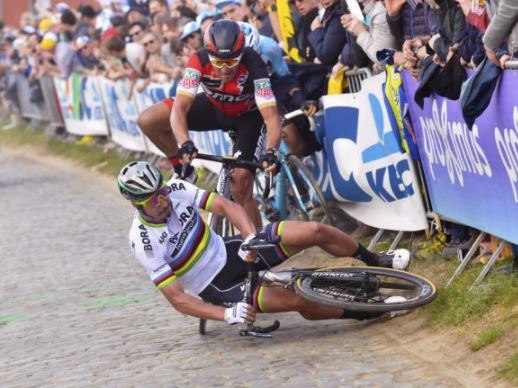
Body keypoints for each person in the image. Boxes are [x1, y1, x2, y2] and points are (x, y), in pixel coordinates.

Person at [118, 161, 411, 325]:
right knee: (299, 300)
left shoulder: (176, 189)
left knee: (313, 230)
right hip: (218, 286)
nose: (163, 200)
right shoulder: (143, 241)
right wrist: (226, 314)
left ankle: (374, 259)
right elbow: (178, 299)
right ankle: (371, 310)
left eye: (163, 191)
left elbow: (226, 207)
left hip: (232, 250)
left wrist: (249, 238)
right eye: (153, 199)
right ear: (137, 204)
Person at [139, 20, 283, 228]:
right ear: (208, 53)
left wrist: (271, 151)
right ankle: (183, 170)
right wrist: (185, 142)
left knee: (240, 185)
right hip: (214, 108)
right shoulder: (198, 59)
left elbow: (271, 116)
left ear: (241, 54)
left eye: (232, 62)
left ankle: (259, 245)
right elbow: (179, 108)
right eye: (218, 62)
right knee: (148, 120)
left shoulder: (254, 62)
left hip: (248, 117)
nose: (224, 69)